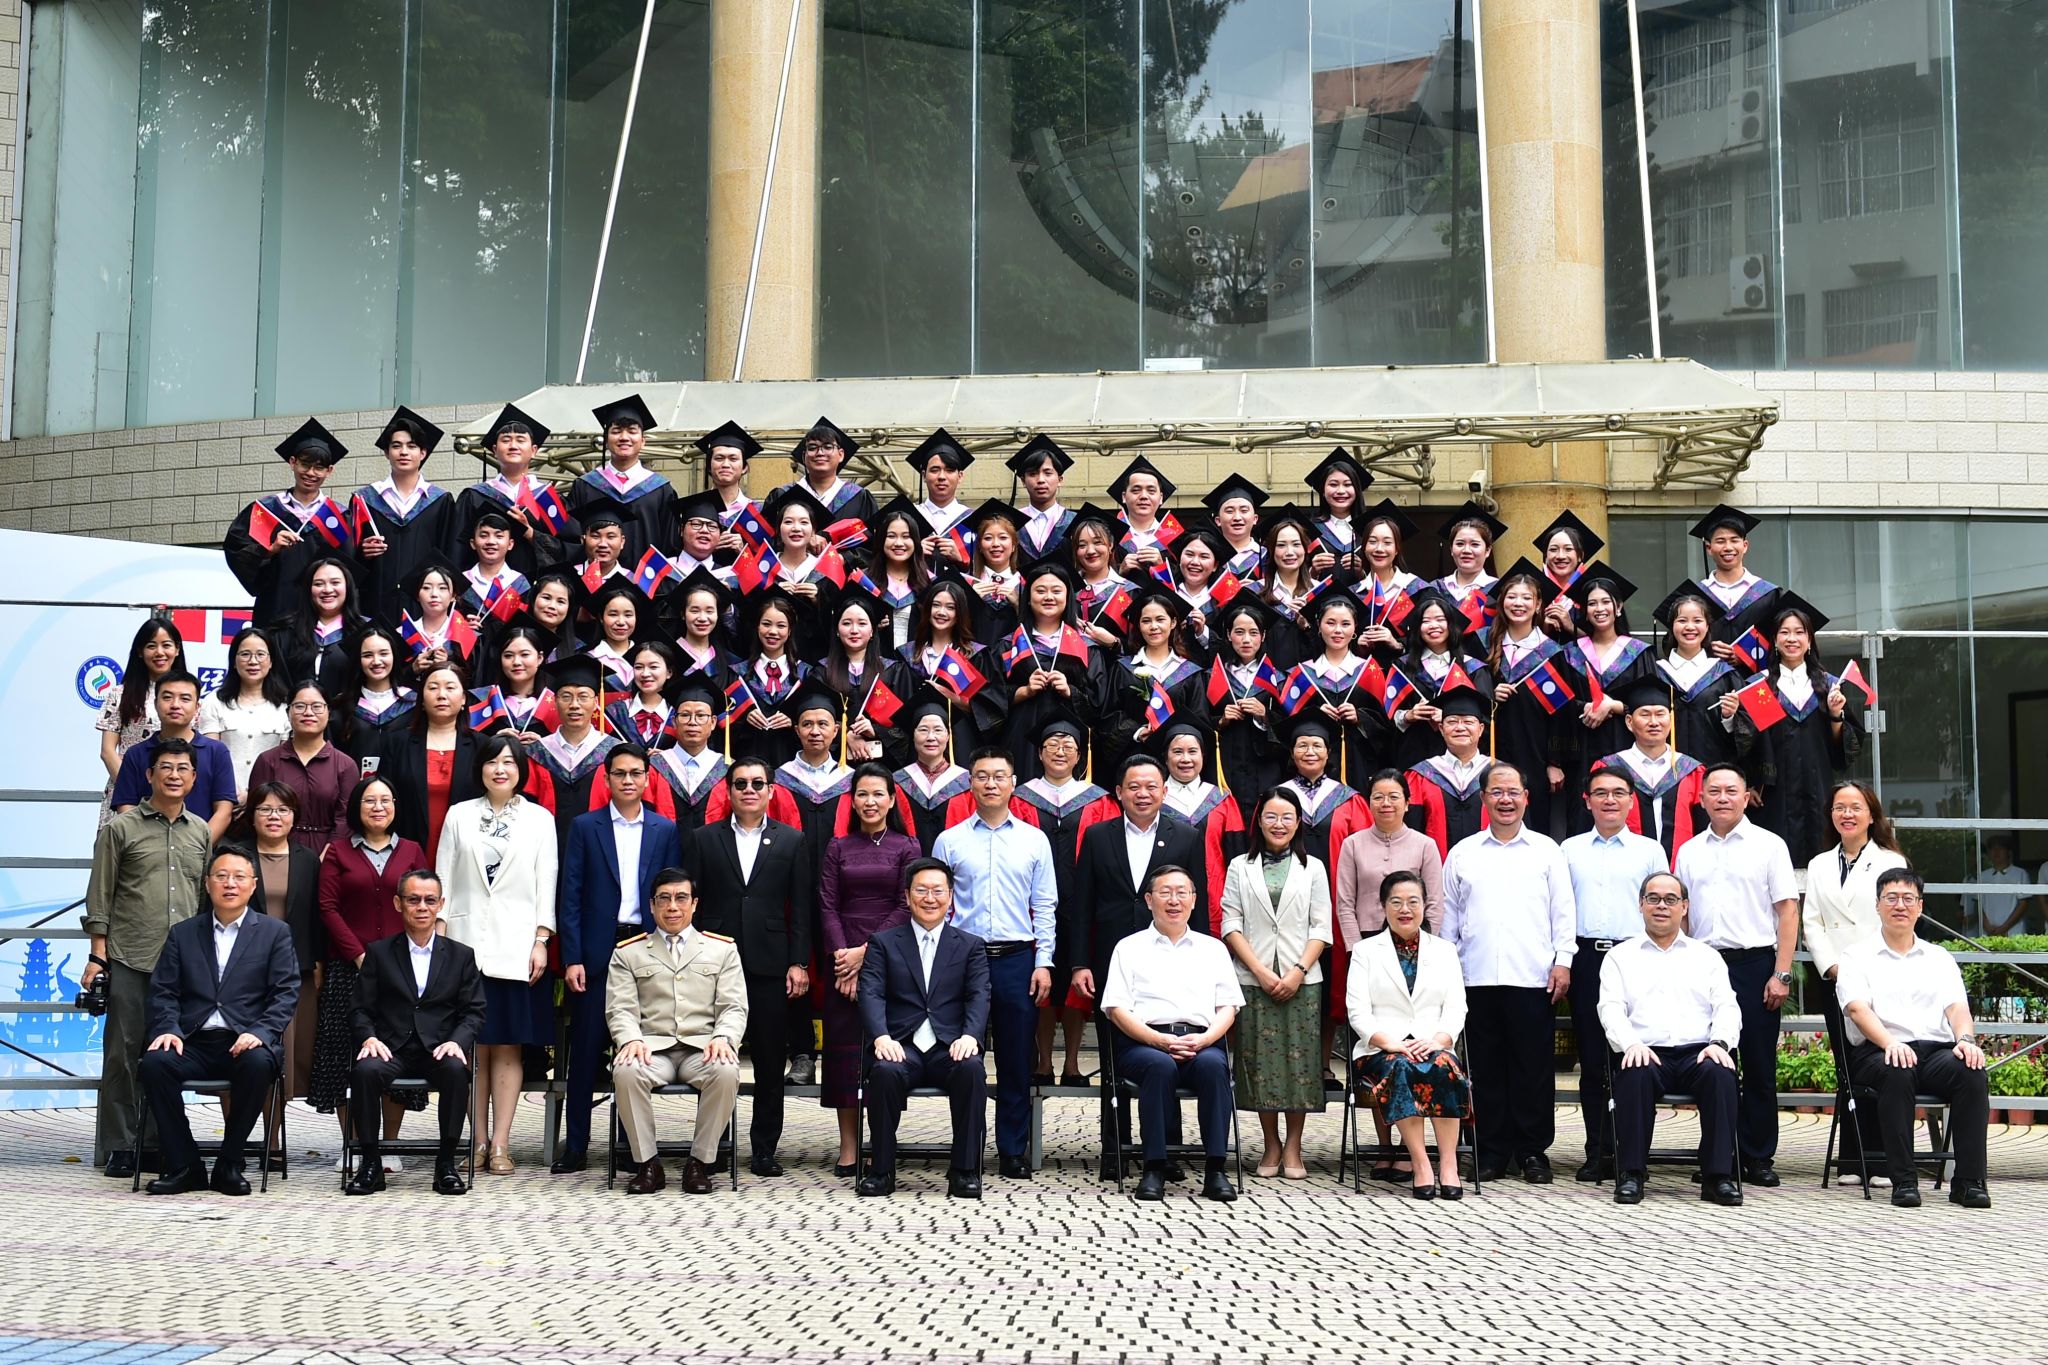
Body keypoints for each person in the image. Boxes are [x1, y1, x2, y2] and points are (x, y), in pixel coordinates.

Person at [1072, 754, 1209, 1177]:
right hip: (1111, 959)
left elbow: (1197, 902)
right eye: (1134, 786)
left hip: (1170, 959)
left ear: (1164, 792)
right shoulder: (1098, 836)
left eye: (1151, 786)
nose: (1143, 794)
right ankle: (1115, 1150)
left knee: (1168, 1047)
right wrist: (1079, 963)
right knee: (1114, 1055)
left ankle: (1166, 1151)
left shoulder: (1185, 835)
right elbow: (1082, 903)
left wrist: (1202, 961)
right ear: (1119, 793)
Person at [1439, 762, 1576, 1182]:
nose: (1505, 800)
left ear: (1526, 798)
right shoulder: (1463, 853)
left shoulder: (1547, 851)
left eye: (1513, 792)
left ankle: (1532, 1151)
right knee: (1484, 1069)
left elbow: (1563, 912)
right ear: (1483, 798)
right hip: (1475, 977)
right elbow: (1448, 919)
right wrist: (1448, 971)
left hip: (1532, 976)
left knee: (1533, 1068)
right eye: (1496, 792)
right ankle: (1491, 1151)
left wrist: (1564, 961)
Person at [137, 846, 300, 1197]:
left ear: (253, 885)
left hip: (245, 1040)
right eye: (221, 876)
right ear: (207, 883)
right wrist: (168, 1029)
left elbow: (286, 993)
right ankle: (185, 1165)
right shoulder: (183, 933)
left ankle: (229, 1162)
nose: (230, 884)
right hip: (192, 1040)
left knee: (258, 1063)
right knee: (154, 1064)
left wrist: (260, 1032)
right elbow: (163, 991)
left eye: (239, 877)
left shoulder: (274, 932)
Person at [554, 742, 684, 1173]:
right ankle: (575, 1146)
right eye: (620, 773)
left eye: (635, 773)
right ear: (607, 778)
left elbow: (671, 895)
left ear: (647, 779)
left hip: (644, 946)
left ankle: (631, 1146)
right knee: (586, 1050)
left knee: (635, 1050)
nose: (628, 780)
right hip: (596, 950)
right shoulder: (585, 826)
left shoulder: (664, 829)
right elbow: (570, 895)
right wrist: (572, 957)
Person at [82, 739, 211, 1174]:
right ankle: (121, 1145)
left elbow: (204, 901)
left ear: (194, 779)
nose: (174, 775)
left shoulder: (201, 831)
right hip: (130, 957)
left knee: (167, 1055)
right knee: (123, 1053)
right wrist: (98, 956)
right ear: (149, 775)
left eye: (183, 768)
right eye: (166, 768)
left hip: (182, 967)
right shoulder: (121, 828)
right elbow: (100, 894)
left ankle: (157, 1142)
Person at [931, 747, 1058, 1180]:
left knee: (1016, 1057)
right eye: (982, 776)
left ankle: (1012, 1150)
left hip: (1017, 959)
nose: (990, 784)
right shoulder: (950, 840)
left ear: (1013, 783)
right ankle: (966, 1148)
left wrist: (1044, 962)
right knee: (961, 1055)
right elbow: (939, 905)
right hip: (963, 959)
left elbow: (1045, 905)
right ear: (970, 783)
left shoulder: (1034, 840)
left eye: (999, 776)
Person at [435, 733, 560, 1174]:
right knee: (469, 1049)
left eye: (509, 762)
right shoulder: (459, 814)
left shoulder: (540, 819)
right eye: (492, 762)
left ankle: (502, 1143)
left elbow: (547, 880)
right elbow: (443, 879)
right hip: (464, 944)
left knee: (507, 1047)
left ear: (521, 770)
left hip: (516, 945)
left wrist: (541, 939)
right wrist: (441, 938)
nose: (500, 769)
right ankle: (477, 1141)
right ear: (481, 769)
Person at [683, 757, 814, 1175]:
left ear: (771, 791)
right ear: (729, 791)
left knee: (770, 1060)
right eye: (741, 784)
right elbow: (691, 905)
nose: (749, 790)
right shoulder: (704, 838)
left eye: (758, 783)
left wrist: (798, 962)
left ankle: (764, 1150)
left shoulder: (791, 840)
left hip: (770, 963)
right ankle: (714, 1148)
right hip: (713, 964)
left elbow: (801, 908)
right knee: (714, 1057)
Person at [1673, 762, 1799, 1186]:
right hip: (1704, 965)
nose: (1722, 798)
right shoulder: (1690, 851)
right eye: (1714, 791)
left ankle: (1758, 1156)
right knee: (1712, 1062)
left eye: (1731, 791)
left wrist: (1782, 973)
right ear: (1702, 798)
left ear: (1746, 798)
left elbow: (1787, 911)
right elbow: (1682, 916)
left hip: (1755, 964)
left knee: (1759, 1064)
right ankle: (1718, 1154)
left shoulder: (1769, 845)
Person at [1837, 868, 1992, 1209]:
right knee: (1898, 1068)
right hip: (1878, 1051)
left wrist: (1965, 1040)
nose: (1900, 906)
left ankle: (1968, 1182)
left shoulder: (1939, 957)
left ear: (1920, 907)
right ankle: (1904, 1181)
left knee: (1971, 1071)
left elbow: (1957, 1009)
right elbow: (1858, 1010)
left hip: (1935, 1053)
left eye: (1908, 898)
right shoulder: (1855, 956)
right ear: (1877, 905)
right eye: (1891, 898)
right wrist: (1890, 1043)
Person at [1597, 871, 1744, 1207]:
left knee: (1721, 1074)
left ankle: (1717, 1177)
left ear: (1684, 907)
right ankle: (1631, 1174)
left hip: (1698, 1052)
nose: (1661, 906)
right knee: (1634, 1072)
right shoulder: (1620, 957)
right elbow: (1610, 1008)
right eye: (1653, 898)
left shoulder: (1706, 956)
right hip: (1645, 1050)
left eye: (1670, 899)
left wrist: (1720, 1044)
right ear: (1641, 904)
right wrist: (1630, 1044)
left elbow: (1727, 1006)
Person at [1101, 865, 1244, 1202]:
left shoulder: (1212, 949)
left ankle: (1216, 1169)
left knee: (1214, 1067)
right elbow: (1117, 1009)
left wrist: (1206, 1039)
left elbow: (1229, 1007)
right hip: (1144, 1043)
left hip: (1200, 1041)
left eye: (1182, 893)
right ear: (1149, 900)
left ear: (1194, 900)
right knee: (1159, 1066)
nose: (1174, 900)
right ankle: (1154, 1167)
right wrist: (1158, 1040)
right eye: (1165, 893)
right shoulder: (1129, 947)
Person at [856, 858, 992, 1199]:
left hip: (950, 1047)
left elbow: (979, 995)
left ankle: (964, 1170)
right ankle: (881, 1170)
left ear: (951, 897)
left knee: (972, 1069)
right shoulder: (883, 942)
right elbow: (870, 992)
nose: (929, 898)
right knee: (884, 1071)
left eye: (938, 891)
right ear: (907, 896)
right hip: (902, 1046)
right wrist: (881, 1037)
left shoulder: (970, 945)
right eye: (921, 890)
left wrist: (970, 1036)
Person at [607, 868, 749, 1194]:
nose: (673, 906)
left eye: (681, 898)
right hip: (651, 1049)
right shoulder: (628, 952)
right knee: (625, 1071)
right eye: (664, 899)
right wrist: (630, 1039)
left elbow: (733, 1006)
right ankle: (648, 1164)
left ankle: (699, 1163)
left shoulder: (722, 950)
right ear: (652, 905)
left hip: (702, 1048)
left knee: (726, 1071)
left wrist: (724, 1038)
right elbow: (620, 1007)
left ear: (694, 904)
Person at [345, 869, 486, 1196]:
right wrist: (368, 1037)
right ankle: (370, 1164)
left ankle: (446, 1164)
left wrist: (457, 1042)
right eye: (413, 899)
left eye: (430, 900)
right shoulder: (379, 953)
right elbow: (359, 1008)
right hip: (390, 1048)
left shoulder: (461, 956)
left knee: (456, 1070)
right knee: (365, 1071)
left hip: (438, 1048)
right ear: (398, 904)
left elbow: (474, 1010)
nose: (422, 907)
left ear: (441, 905)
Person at [1558, 767, 1669, 1182]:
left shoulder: (1649, 851)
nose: (1609, 800)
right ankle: (1597, 1152)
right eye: (1601, 793)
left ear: (1631, 801)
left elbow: (1665, 906)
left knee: (1635, 1056)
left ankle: (1633, 1152)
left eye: (1618, 793)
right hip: (1587, 958)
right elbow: (1560, 909)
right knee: (1592, 1060)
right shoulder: (1568, 849)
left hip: (1636, 957)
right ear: (1586, 800)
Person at [313, 775, 432, 1160]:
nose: (378, 807)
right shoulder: (338, 852)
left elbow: (423, 902)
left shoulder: (411, 850)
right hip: (348, 969)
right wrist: (359, 955)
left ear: (395, 806)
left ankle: (389, 1145)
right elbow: (327, 907)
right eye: (369, 801)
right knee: (345, 1054)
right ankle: (353, 1146)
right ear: (356, 808)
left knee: (395, 1050)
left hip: (402, 970)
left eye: (385, 800)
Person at [1801, 779, 1910, 1183]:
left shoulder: (1890, 861)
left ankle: (1881, 1159)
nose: (1847, 814)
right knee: (1847, 1066)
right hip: (1836, 977)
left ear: (1871, 815)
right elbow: (1812, 922)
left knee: (1881, 1060)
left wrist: (1862, 969)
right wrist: (1833, 968)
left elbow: (1898, 917)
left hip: (1880, 975)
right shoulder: (1819, 864)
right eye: (1839, 807)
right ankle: (1852, 1159)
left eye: (1855, 807)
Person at [1219, 788, 1331, 1180]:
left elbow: (1321, 926)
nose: (1278, 824)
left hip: (1303, 979)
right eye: (1271, 816)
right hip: (1254, 978)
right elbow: (1230, 922)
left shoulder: (1313, 867)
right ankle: (1270, 1143)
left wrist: (1298, 970)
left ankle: (1295, 1145)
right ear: (1259, 821)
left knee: (1300, 1063)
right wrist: (1261, 971)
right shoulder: (1240, 866)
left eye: (1286, 817)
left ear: (1298, 822)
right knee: (1260, 1063)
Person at [818, 764, 920, 1172]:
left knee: (884, 1056)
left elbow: (905, 905)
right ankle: (848, 1145)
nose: (870, 801)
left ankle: (882, 1141)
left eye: (878, 794)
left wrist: (866, 954)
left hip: (889, 957)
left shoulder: (907, 846)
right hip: (842, 960)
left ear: (892, 800)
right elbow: (827, 904)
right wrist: (844, 959)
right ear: (852, 800)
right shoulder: (838, 847)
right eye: (862, 794)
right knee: (843, 1057)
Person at [1348, 869, 1470, 1200]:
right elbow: (1358, 1011)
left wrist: (1439, 1040)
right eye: (1396, 902)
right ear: (1383, 906)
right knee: (1400, 1066)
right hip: (1381, 1050)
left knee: (1444, 1066)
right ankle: (1420, 1164)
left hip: (1433, 1043)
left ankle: (1448, 1164)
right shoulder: (1366, 951)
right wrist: (1392, 1044)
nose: (1405, 909)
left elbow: (1456, 1008)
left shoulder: (1445, 951)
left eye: (1413, 902)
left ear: (1425, 905)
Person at [1013, 708, 1119, 1085]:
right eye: (1052, 745)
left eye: (1069, 746)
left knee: (1077, 984)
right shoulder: (1020, 798)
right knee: (1040, 981)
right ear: (1039, 753)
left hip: (1082, 905)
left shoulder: (1098, 800)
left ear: (1079, 755)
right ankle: (1043, 1062)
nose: (1060, 751)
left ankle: (1072, 1063)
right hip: (1031, 906)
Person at [1723, 593, 1864, 865]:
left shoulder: (1828, 685)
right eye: (1784, 632)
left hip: (1817, 787)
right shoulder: (1760, 686)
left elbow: (1840, 752)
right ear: (1774, 640)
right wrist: (1750, 782)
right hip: (1773, 795)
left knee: (1821, 856)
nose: (1792, 639)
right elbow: (1747, 742)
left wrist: (1836, 715)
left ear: (1809, 641)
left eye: (1800, 632)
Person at [228, 784, 322, 1105]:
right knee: (241, 1055)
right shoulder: (235, 857)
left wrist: (318, 963)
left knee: (286, 1062)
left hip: (294, 972)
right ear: (252, 815)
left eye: (283, 810)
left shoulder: (308, 860)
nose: (274, 816)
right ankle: (237, 1134)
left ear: (294, 817)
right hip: (243, 972)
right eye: (265, 809)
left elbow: (315, 917)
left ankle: (274, 1135)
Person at [223, 418, 348, 626]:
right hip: (274, 612)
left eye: (319, 467)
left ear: (329, 471)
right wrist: (268, 550)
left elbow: (350, 568)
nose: (310, 473)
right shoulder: (264, 511)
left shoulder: (338, 516)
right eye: (305, 464)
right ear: (292, 462)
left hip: (322, 621)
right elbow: (236, 552)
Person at [1483, 559, 1574, 837]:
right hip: (1492, 750)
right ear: (1502, 602)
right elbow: (1469, 698)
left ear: (1538, 605)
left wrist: (1555, 762)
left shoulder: (1551, 653)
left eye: (1526, 598)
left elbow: (1562, 713)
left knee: (1535, 824)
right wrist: (1490, 696)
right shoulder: (1485, 645)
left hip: (1536, 755)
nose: (1518, 603)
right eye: (1512, 597)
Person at [352, 406, 462, 628]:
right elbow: (349, 557)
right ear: (387, 452)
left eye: (412, 446)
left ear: (423, 453)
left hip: (424, 610)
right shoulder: (364, 500)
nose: (404, 452)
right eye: (396, 446)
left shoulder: (440, 501)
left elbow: (449, 558)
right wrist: (362, 551)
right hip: (375, 603)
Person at [454, 403, 580, 580]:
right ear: (495, 450)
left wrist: (531, 534)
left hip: (537, 590)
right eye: (506, 440)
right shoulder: (475, 497)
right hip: (485, 590)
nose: (513, 445)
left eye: (520, 440)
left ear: (533, 451)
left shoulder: (548, 499)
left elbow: (572, 549)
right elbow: (457, 551)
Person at [370, 661, 478, 865]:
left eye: (450, 688)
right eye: (433, 687)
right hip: (406, 853)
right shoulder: (397, 743)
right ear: (421, 699)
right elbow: (384, 798)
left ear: (463, 698)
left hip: (466, 856)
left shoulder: (481, 747)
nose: (441, 695)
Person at [1590, 678, 1707, 863]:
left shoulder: (1692, 771)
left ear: (1671, 720)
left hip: (1679, 871)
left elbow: (1704, 828)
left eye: (1660, 714)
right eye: (1645, 715)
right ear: (1629, 722)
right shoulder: (1608, 769)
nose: (1654, 722)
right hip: (1623, 867)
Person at [108, 671, 236, 840]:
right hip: (147, 850)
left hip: (201, 849)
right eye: (167, 697)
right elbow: (126, 809)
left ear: (197, 707)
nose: (175, 705)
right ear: (155, 704)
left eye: (185, 699)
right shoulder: (136, 754)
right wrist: (151, 849)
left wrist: (199, 848)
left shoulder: (216, 752)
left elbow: (224, 811)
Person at [564, 394, 679, 568]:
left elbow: (670, 544)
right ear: (606, 440)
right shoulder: (585, 486)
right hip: (594, 580)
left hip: (645, 582)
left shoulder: (661, 490)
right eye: (616, 431)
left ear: (643, 441)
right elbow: (572, 538)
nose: (624, 437)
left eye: (632, 431)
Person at [246, 682, 357, 855]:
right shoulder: (267, 761)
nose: (308, 712)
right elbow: (256, 812)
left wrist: (327, 858)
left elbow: (345, 819)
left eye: (317, 706)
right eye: (299, 706)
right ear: (288, 712)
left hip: (329, 854)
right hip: (275, 851)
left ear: (329, 712)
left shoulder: (345, 765)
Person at [95, 618, 187, 824]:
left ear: (177, 650)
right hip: (127, 796)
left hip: (173, 794)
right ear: (140, 652)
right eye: (151, 646)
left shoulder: (188, 696)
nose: (159, 652)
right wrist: (132, 790)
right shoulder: (120, 694)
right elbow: (107, 751)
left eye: (166, 645)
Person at [1399, 676, 1494, 858]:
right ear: (1441, 729)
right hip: (1434, 869)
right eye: (1452, 722)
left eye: (1468, 722)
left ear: (1481, 729)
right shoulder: (1420, 776)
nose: (1460, 728)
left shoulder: (1499, 775)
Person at [1649, 583, 1739, 768]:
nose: (1690, 627)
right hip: (1664, 772)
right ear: (1672, 626)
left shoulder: (1724, 674)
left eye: (1697, 620)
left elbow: (1747, 735)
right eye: (1682, 620)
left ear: (1707, 626)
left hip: (1714, 771)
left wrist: (1730, 717)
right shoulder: (1655, 673)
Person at [197, 625, 291, 800]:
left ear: (271, 661)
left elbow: (284, 763)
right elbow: (210, 757)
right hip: (221, 797)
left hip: (267, 801)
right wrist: (230, 794)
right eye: (245, 654)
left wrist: (254, 797)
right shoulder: (214, 701)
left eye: (260, 654)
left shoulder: (284, 706)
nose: (253, 661)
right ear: (234, 661)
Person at [1687, 505, 1782, 662]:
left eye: (1734, 540)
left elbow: (1780, 640)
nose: (1728, 547)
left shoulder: (1768, 594)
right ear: (1709, 548)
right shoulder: (1695, 596)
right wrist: (1705, 648)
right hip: (1708, 676)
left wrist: (1746, 657)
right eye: (1720, 541)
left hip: (1756, 676)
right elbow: (1674, 642)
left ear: (1745, 546)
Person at [1010, 436, 1077, 566]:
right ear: (1023, 481)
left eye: (1048, 473)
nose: (1040, 480)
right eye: (1033, 474)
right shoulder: (1012, 522)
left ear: (1060, 480)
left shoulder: (1074, 522)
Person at [1968, 835, 2033, 938]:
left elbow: (2023, 904)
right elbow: (1978, 904)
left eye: (2000, 848)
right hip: (1988, 933)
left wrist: (2004, 928)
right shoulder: (1983, 876)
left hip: (2014, 932)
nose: (1996, 852)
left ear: (2009, 852)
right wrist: (1987, 927)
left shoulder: (2020, 874)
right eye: (1992, 849)